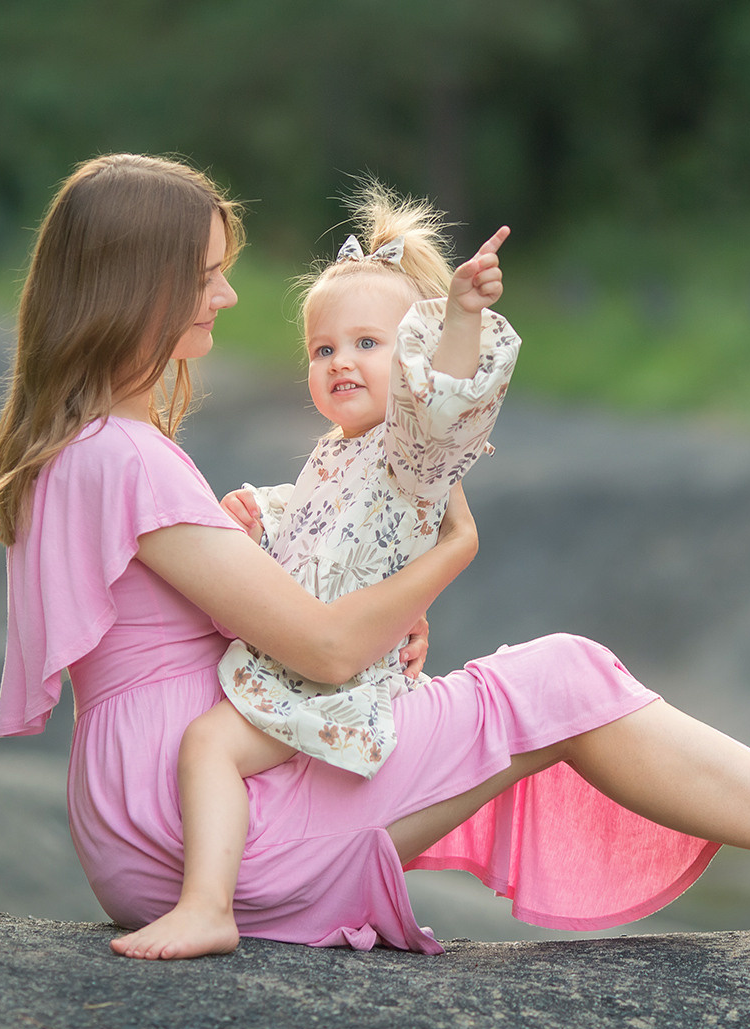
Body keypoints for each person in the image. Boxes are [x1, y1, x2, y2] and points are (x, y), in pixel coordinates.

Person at [0, 152, 750, 962]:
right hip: (198, 830)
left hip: (149, 816)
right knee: (563, 677)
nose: (225, 297)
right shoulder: (128, 455)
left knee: (532, 687)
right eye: (207, 276)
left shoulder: (76, 449)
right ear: (139, 284)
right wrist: (450, 553)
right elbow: (321, 648)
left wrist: (372, 611)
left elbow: (264, 620)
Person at [121, 181, 521, 958]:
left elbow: (445, 404)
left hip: (332, 677)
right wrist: (260, 516)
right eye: (323, 349)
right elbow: (319, 527)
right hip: (306, 660)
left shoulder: (411, 451)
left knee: (207, 745)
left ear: (413, 360)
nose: (341, 362)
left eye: (369, 344)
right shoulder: (340, 451)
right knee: (214, 746)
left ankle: (207, 907)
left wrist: (462, 321)